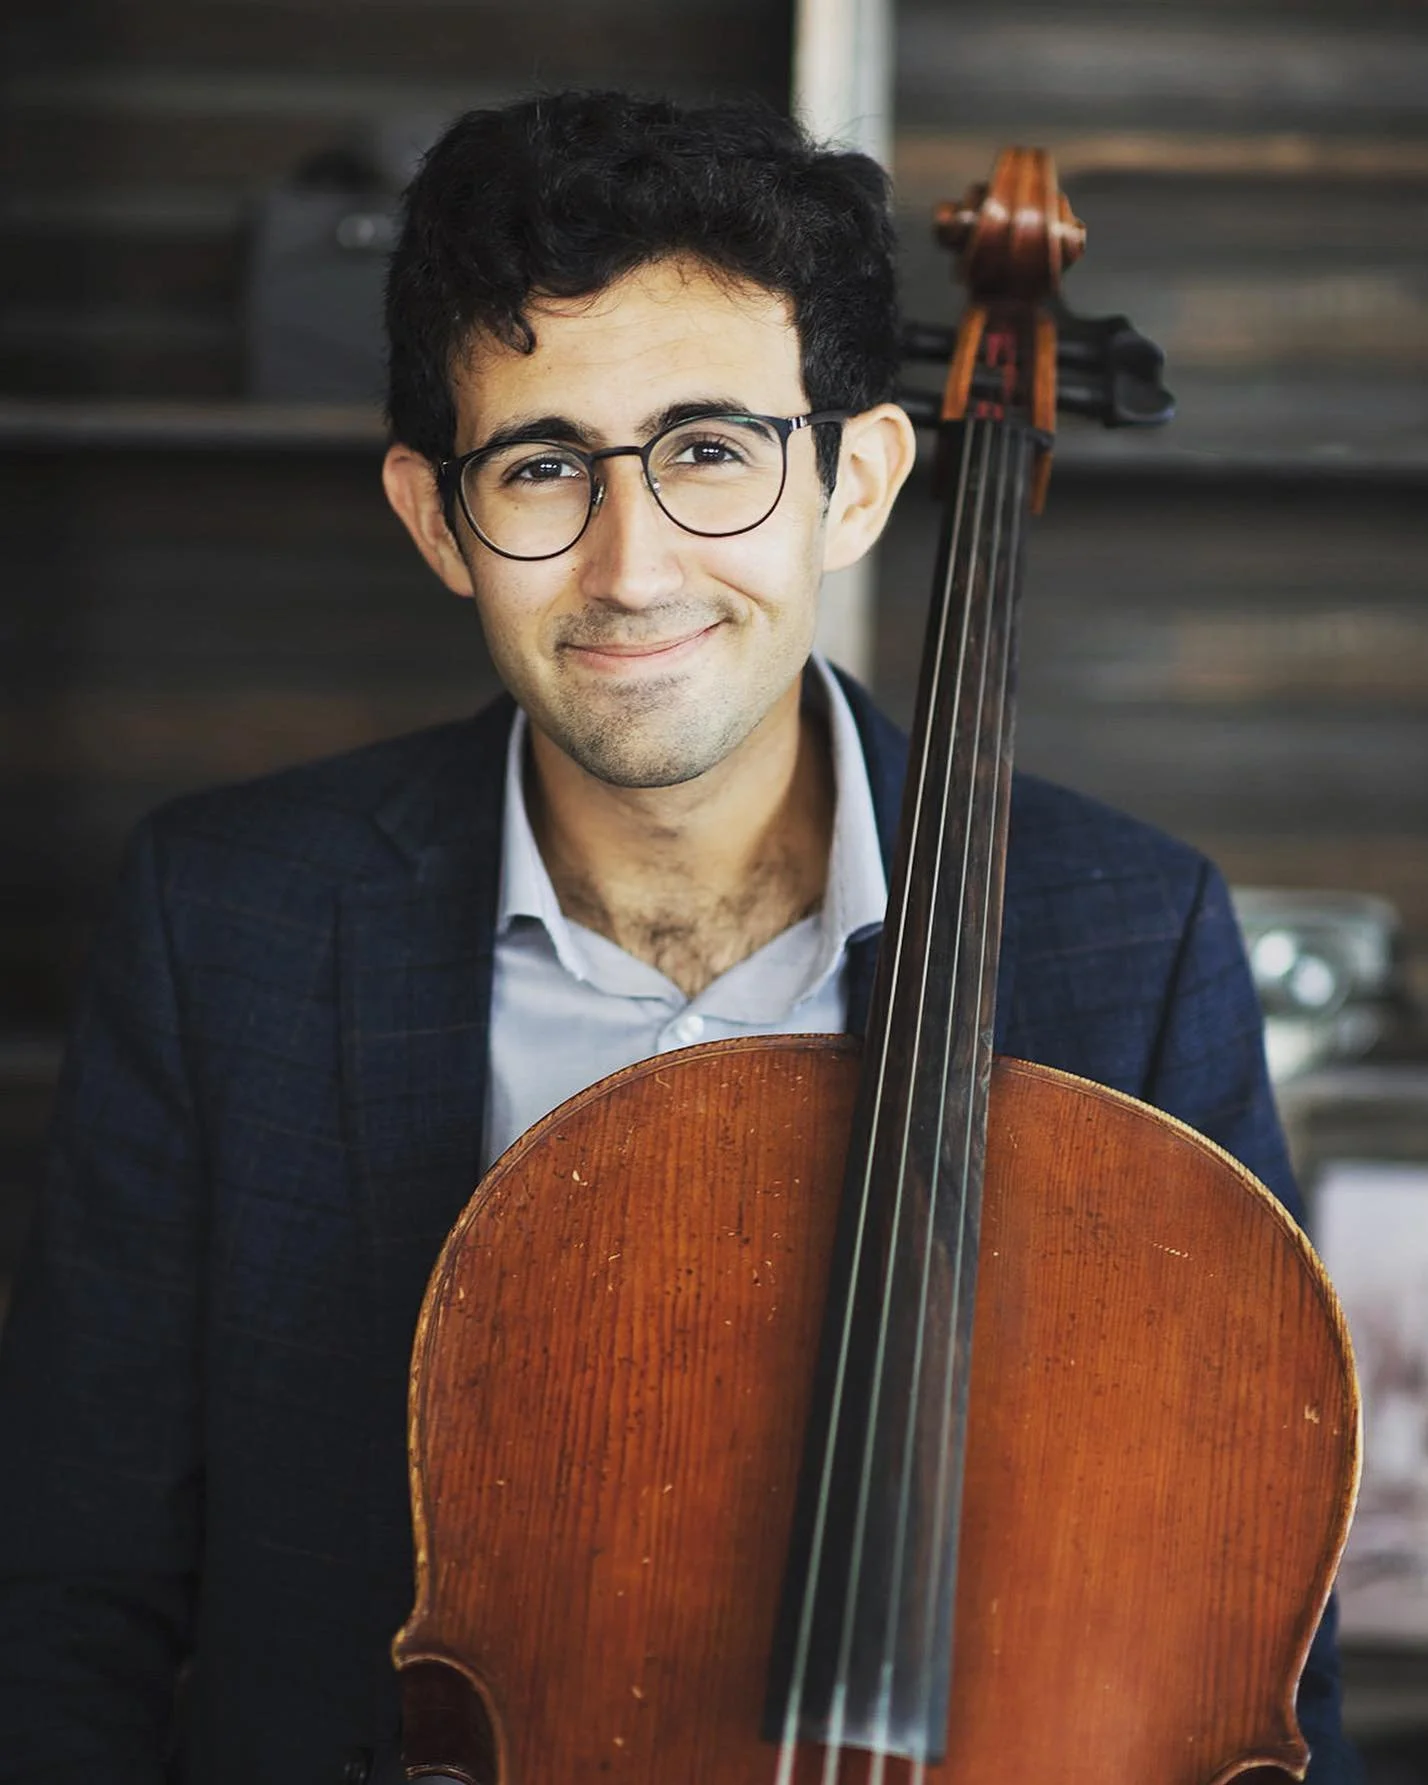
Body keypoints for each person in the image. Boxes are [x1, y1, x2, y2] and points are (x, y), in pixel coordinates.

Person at [0, 90, 1356, 1785]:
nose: (633, 567)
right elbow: (68, 1610)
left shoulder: (1132, 936)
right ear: (438, 520)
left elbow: (1256, 1657)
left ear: (851, 480)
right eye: (545, 464)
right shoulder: (227, 922)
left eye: (710, 451)